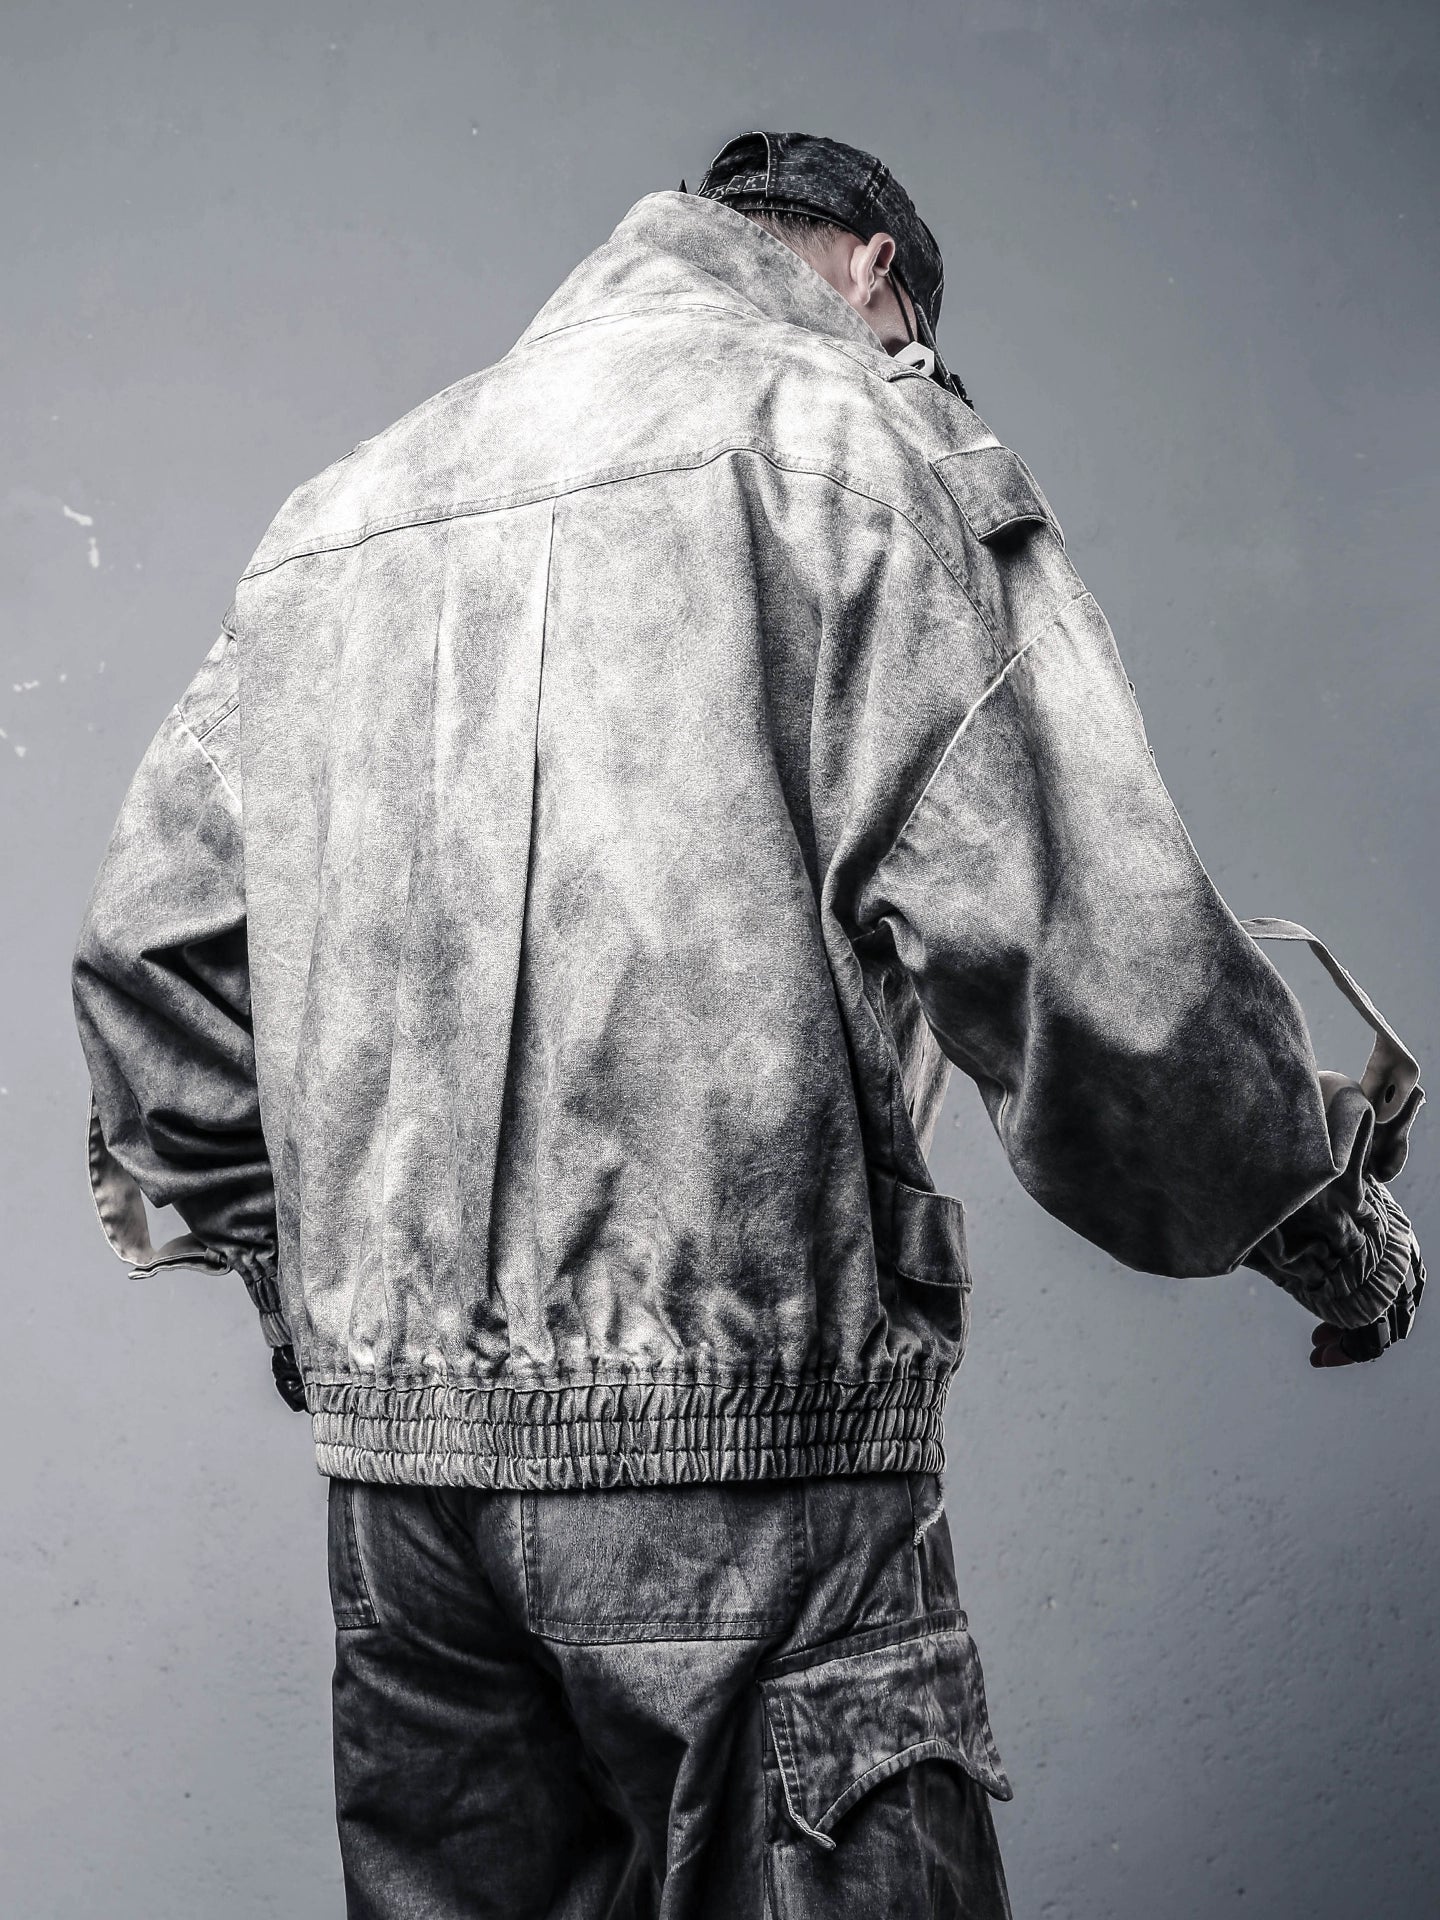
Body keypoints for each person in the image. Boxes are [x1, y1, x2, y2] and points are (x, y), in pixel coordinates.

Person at [72, 130, 1425, 1919]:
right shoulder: (855, 443)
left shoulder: (342, 515)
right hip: (756, 1479)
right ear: (876, 275)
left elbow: (152, 957)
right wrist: (1315, 1208)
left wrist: (312, 1298)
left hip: (407, 1517)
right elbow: (1086, 946)